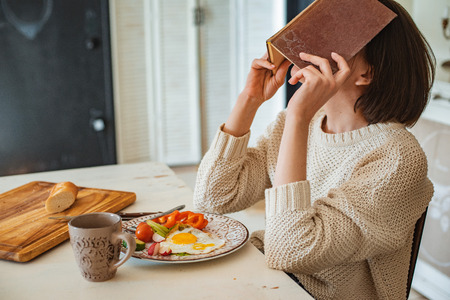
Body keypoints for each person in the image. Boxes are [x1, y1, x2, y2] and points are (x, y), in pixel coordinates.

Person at [193, 0, 435, 299]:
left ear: (365, 74)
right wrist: (250, 99)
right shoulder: (301, 125)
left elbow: (292, 250)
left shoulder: (397, 158)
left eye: (334, 39)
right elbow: (214, 196)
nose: (310, 48)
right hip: (271, 283)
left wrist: (298, 116)